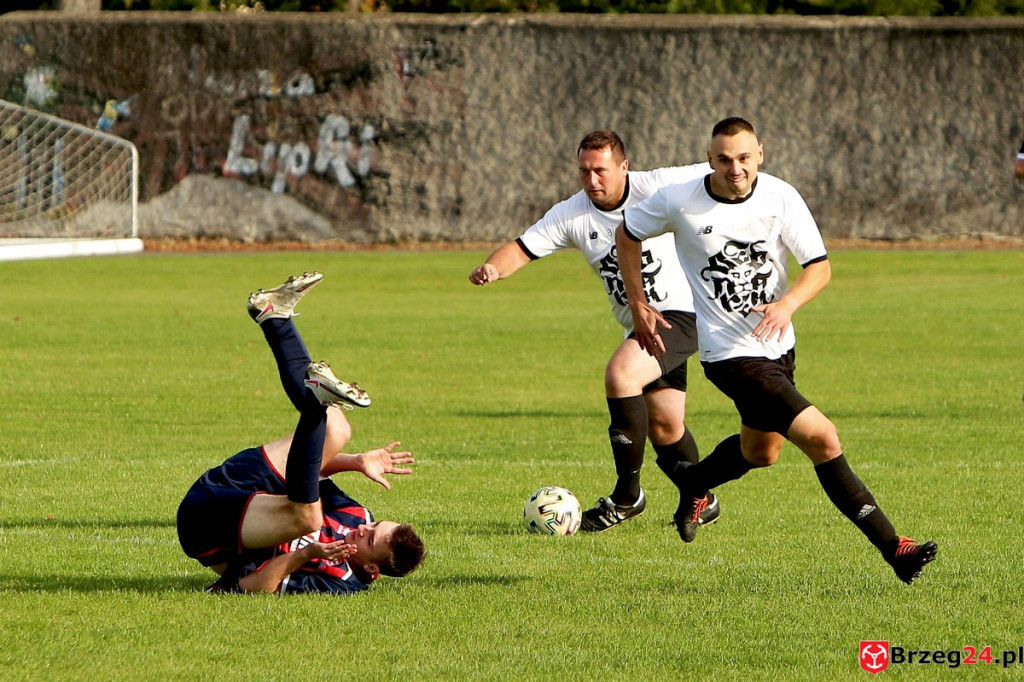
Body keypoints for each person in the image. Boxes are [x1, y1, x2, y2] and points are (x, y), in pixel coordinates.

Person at [615, 117, 937, 585]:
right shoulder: (678, 200)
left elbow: (820, 268)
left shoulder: (781, 196)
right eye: (724, 159)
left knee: (761, 452)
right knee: (823, 438)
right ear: (710, 159)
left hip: (779, 348)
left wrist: (787, 304)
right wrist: (638, 301)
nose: (735, 168)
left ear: (760, 154)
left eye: (744, 158)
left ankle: (693, 482)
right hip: (729, 355)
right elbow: (628, 234)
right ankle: (895, 547)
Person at [469, 130, 719, 533]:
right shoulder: (572, 213)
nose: (591, 180)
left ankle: (627, 497)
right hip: (639, 325)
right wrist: (494, 267)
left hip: (683, 314)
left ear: (624, 166)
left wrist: (742, 164)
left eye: (600, 170)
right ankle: (702, 498)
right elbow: (521, 247)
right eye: (584, 171)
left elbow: (718, 165)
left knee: (621, 376)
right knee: (665, 426)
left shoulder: (657, 186)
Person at [176, 272, 425, 595]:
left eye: (370, 538)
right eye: (375, 525)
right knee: (337, 429)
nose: (363, 527)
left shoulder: (340, 582)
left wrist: (304, 554)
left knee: (308, 518)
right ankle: (274, 317)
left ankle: (316, 401)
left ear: (372, 568)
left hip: (207, 529)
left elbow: (251, 588)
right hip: (230, 488)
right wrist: (355, 461)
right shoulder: (356, 515)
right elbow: (306, 474)